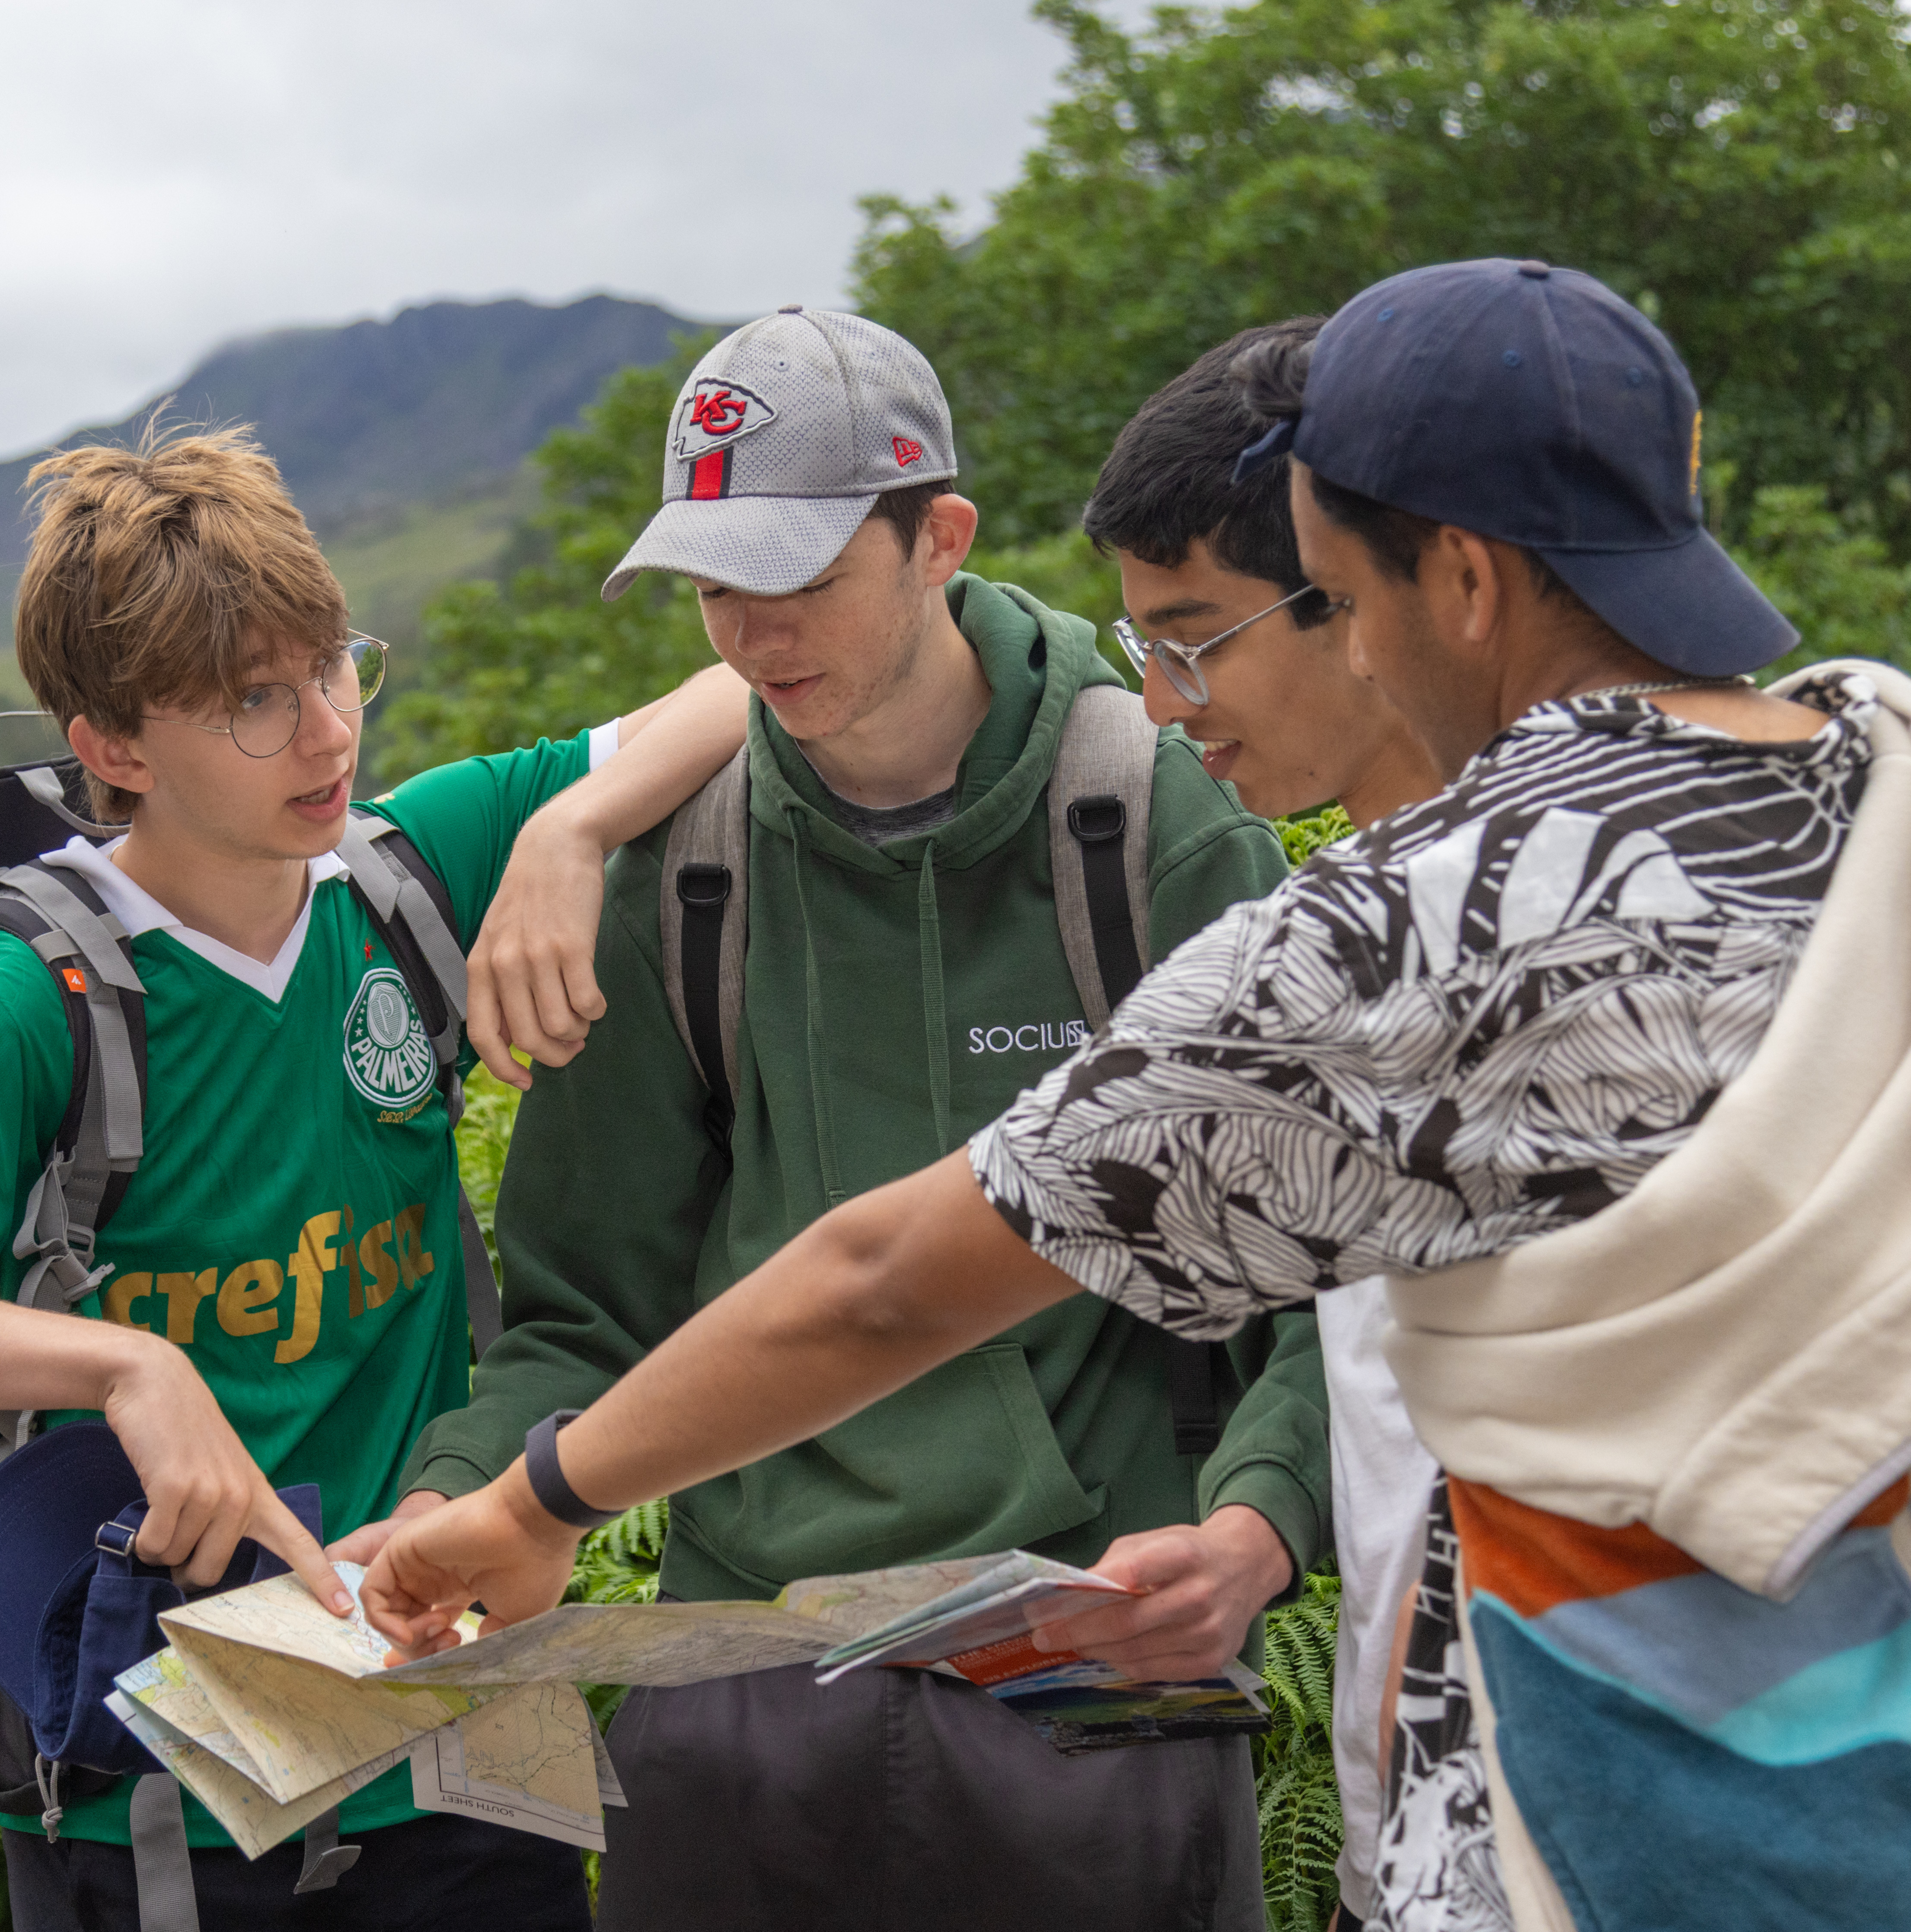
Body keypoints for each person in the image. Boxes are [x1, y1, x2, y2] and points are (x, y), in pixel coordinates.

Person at [364, 260, 1911, 1932]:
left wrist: (536, 1500)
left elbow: (892, 1282)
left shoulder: (1425, 931)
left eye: (1325, 594)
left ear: (1457, 578)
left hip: (1610, 1836)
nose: (1226, 682)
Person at [341, 305, 1321, 1932]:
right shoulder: (683, 867)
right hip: (740, 1669)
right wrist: (463, 1498)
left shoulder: (1153, 821)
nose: (747, 632)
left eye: (795, 579)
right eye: (714, 586)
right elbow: (588, 1300)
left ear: (939, 537)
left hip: (1085, 1653)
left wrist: (1255, 1528)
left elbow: (1314, 1264)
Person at [0, 422, 753, 1932]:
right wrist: (127, 1365)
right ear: (116, 747)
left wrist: (575, 824)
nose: (328, 735)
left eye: (335, 668)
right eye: (252, 704)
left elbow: (740, 685)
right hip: (180, 1783)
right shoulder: (35, 1000)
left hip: (463, 1707)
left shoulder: (400, 881)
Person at [1084, 313, 1443, 1930]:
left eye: (1196, 639)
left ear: (1352, 590)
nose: (1162, 706)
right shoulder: (1335, 929)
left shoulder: (1467, 933)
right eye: (1132, 648)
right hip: (1422, 1851)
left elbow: (904, 1274)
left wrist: (546, 1497)